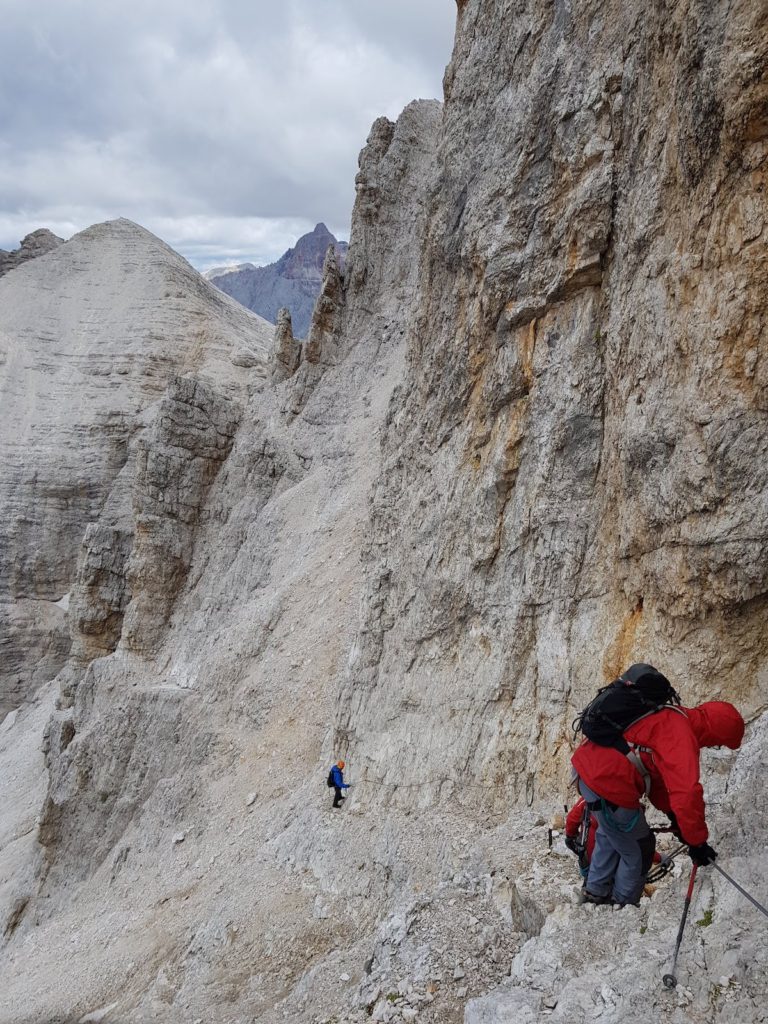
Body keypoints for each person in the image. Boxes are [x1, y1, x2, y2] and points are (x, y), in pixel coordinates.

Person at [572, 664, 744, 907]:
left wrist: (674, 818)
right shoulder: (681, 734)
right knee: (640, 848)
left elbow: (659, 782)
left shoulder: (671, 715)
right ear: (717, 733)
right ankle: (621, 907)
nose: (715, 747)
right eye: (719, 744)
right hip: (607, 782)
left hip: (588, 770)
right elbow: (686, 793)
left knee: (612, 834)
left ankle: (595, 893)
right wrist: (697, 842)